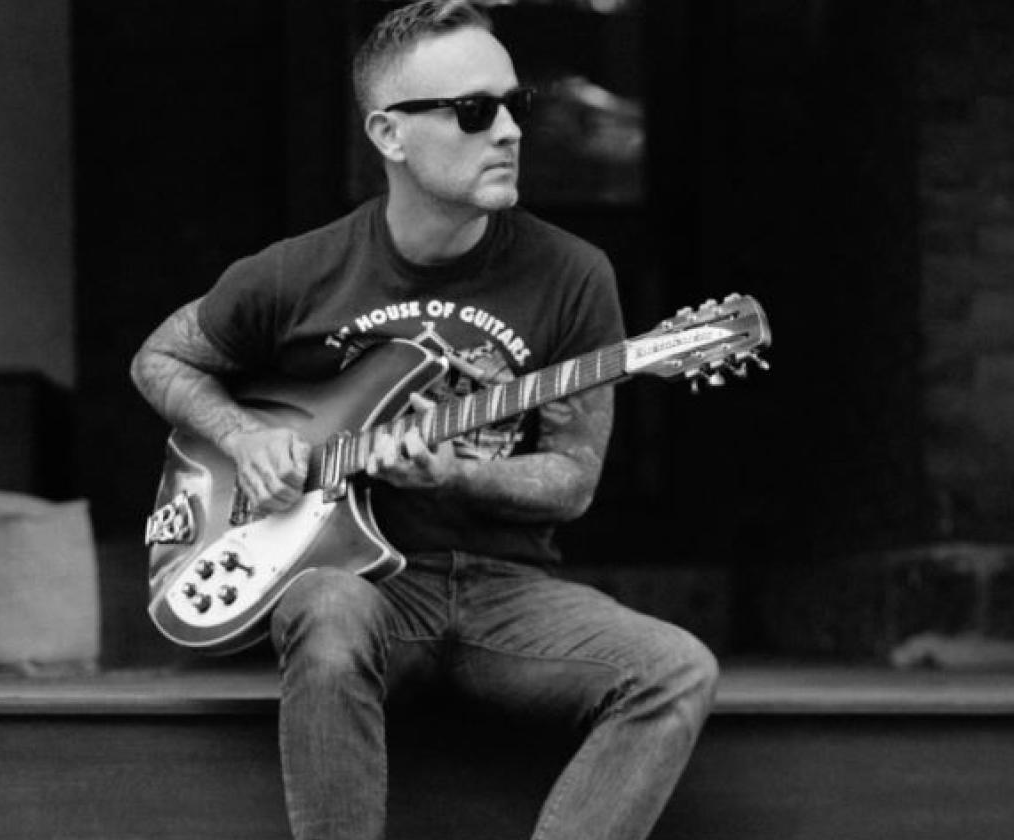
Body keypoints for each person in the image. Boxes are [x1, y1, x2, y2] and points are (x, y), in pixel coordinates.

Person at [131, 2, 718, 838]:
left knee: (676, 668)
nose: (510, 130)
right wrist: (244, 436)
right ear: (389, 134)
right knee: (324, 608)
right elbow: (159, 358)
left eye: (519, 104)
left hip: (506, 594)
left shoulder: (574, 275)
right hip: (365, 587)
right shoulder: (299, 271)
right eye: (475, 112)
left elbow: (572, 481)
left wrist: (457, 474)